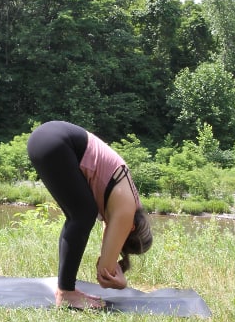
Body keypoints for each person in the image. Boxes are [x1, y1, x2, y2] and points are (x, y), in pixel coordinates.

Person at [27, 120, 152, 309]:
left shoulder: (129, 204)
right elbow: (104, 274)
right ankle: (66, 292)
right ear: (131, 229)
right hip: (56, 142)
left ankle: (65, 289)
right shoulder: (126, 213)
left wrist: (110, 260)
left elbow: (105, 252)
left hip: (47, 136)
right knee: (83, 214)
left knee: (80, 213)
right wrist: (122, 283)